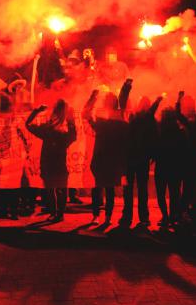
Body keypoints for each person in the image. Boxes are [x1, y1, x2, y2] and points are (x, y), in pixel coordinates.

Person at [83, 80, 132, 226]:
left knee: (101, 189)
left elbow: (86, 114)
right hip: (107, 161)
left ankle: (99, 216)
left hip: (105, 161)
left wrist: (93, 97)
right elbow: (86, 115)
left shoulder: (106, 123)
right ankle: (104, 217)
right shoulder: (115, 122)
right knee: (105, 189)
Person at [25, 99, 77, 222]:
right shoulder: (62, 133)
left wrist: (36, 111)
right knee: (61, 189)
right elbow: (74, 135)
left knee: (51, 188)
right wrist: (71, 118)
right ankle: (59, 214)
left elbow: (28, 124)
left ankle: (55, 213)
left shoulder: (47, 130)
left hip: (48, 164)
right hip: (58, 165)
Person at [120, 95, 163, 227]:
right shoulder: (148, 119)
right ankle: (142, 217)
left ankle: (128, 217)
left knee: (130, 189)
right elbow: (156, 138)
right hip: (141, 158)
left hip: (133, 158)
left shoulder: (134, 118)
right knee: (141, 189)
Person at [155, 107, 189, 228]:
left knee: (161, 193)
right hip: (175, 166)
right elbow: (184, 150)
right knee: (174, 193)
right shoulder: (180, 132)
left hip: (161, 165)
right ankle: (173, 216)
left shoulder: (158, 130)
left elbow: (155, 147)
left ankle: (165, 216)